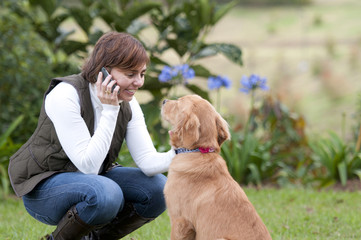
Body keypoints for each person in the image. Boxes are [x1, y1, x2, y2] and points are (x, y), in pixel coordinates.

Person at [8, 32, 175, 240]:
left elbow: (148, 162)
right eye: (131, 74)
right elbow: (89, 166)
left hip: (94, 183)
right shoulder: (65, 95)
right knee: (107, 193)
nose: (139, 82)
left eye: (142, 74)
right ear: (103, 71)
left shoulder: (129, 103)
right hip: (44, 188)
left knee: (159, 188)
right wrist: (110, 110)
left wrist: (184, 151)